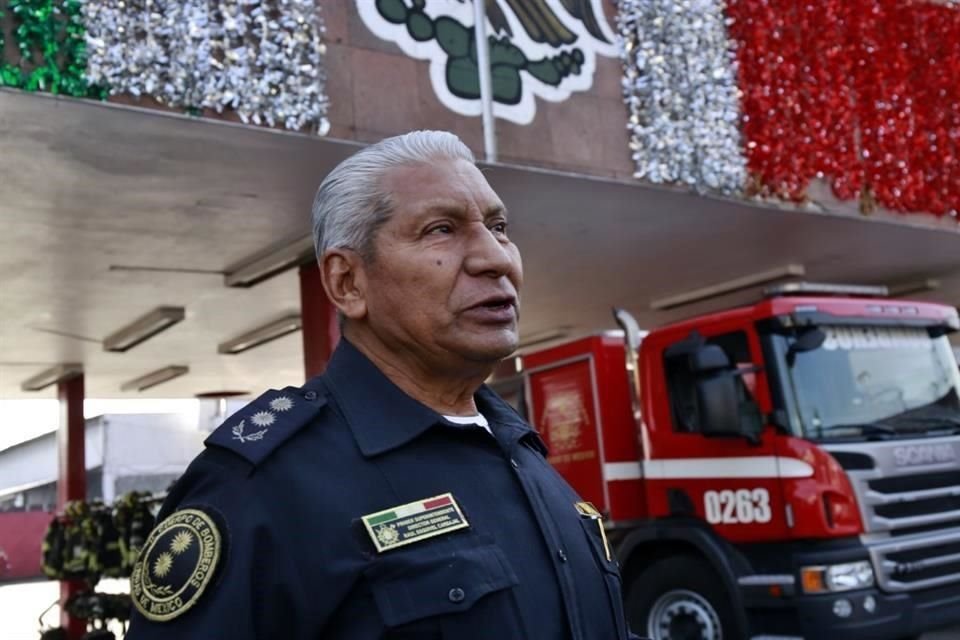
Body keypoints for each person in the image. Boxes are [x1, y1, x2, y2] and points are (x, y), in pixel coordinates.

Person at [126, 130, 641, 639]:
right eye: (441, 229)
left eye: (499, 226)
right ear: (348, 282)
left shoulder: (517, 448)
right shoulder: (265, 486)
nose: (497, 258)